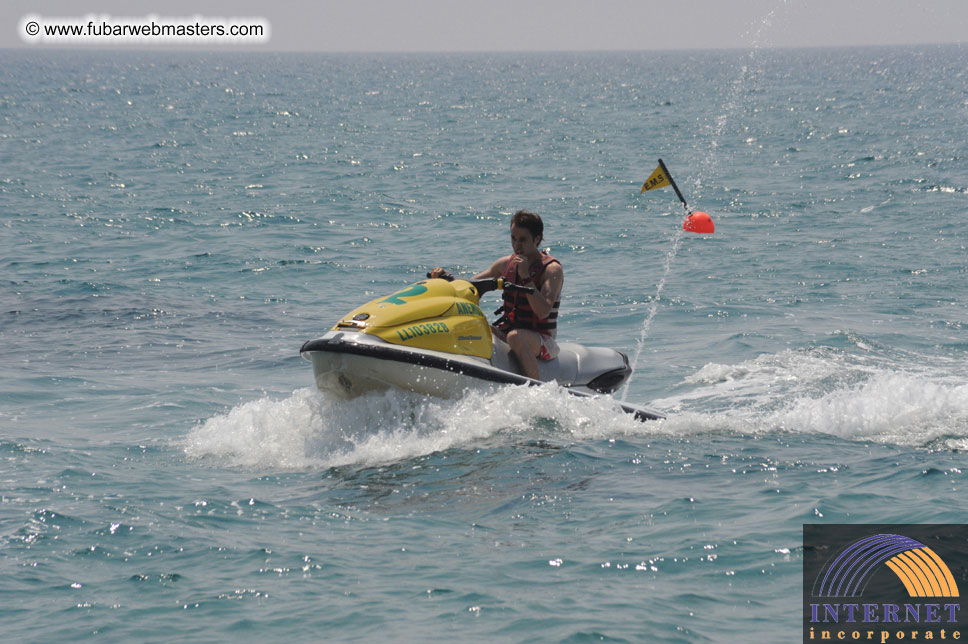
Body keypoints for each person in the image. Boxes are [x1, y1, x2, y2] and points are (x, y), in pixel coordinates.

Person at [430, 210, 563, 380]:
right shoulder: (505, 264)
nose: (517, 246)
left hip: (542, 340)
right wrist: (445, 279)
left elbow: (543, 311)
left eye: (523, 240)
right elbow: (470, 286)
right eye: (513, 239)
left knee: (516, 337)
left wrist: (526, 278)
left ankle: (535, 389)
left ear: (537, 239)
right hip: (508, 332)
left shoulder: (551, 270)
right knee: (474, 325)